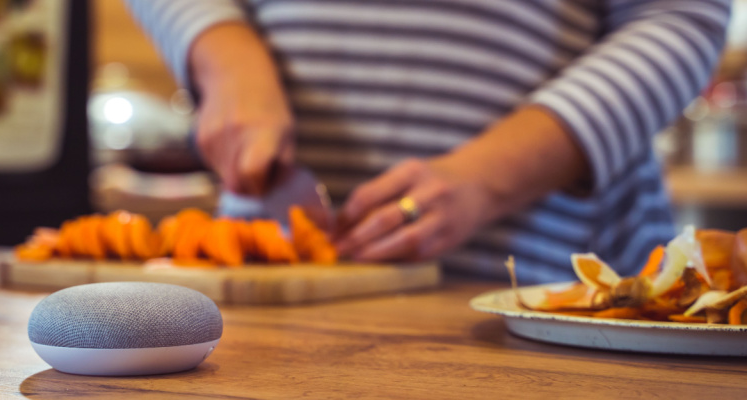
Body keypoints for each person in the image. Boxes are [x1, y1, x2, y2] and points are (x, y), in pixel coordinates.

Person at [126, 0, 732, 282]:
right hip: (260, 275)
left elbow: (681, 16)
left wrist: (490, 178)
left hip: (535, 278)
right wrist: (223, 55)